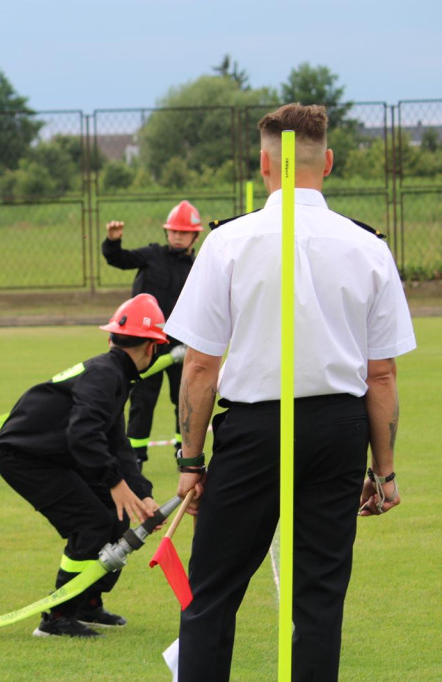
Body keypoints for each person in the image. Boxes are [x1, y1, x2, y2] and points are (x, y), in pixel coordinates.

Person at [165, 104, 416, 681]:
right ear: (326, 162)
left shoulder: (228, 242)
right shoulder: (367, 247)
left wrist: (191, 460)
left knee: (212, 591)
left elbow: (201, 365)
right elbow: (382, 375)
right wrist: (386, 470)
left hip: (254, 431)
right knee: (320, 598)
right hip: (337, 430)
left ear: (263, 165)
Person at [0, 294, 164, 638]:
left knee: (115, 517)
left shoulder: (115, 374)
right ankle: (57, 617)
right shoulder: (106, 375)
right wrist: (114, 482)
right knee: (91, 523)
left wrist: (142, 495)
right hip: (24, 457)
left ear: (111, 338)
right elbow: (84, 434)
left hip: (55, 454)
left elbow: (116, 442)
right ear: (152, 349)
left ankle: (87, 603)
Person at [101, 200, 201, 469]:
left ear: (195, 235)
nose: (177, 236)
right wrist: (112, 242)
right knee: (142, 403)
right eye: (173, 231)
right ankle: (135, 459)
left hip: (183, 345)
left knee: (185, 401)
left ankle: (186, 455)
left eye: (183, 232)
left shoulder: (200, 266)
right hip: (145, 345)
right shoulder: (152, 255)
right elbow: (119, 259)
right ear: (166, 232)